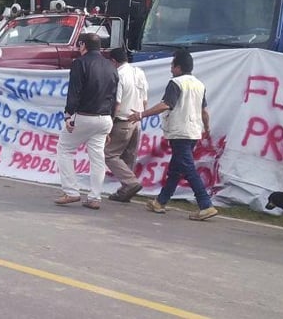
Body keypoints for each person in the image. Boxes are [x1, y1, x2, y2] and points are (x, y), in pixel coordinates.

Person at [128, 48, 217, 221]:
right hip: (193, 131)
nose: (170, 69)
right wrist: (206, 128)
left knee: (188, 168)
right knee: (176, 170)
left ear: (178, 67)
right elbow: (204, 111)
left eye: (172, 65)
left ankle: (205, 204)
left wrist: (140, 114)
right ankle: (160, 201)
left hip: (179, 132)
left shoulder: (176, 83)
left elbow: (165, 105)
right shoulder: (199, 84)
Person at [54, 32, 118, 210]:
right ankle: (95, 197)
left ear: (83, 45)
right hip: (105, 118)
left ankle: (71, 191)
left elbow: (74, 92)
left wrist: (68, 115)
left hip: (84, 116)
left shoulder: (80, 63)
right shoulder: (111, 66)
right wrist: (110, 124)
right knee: (97, 158)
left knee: (65, 149)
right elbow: (114, 98)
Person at [105, 47, 148, 203]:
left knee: (109, 154)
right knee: (128, 156)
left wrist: (109, 125)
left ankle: (130, 183)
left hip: (122, 120)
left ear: (113, 61)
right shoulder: (139, 72)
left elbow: (116, 103)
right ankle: (126, 189)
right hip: (136, 119)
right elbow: (144, 100)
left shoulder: (119, 75)